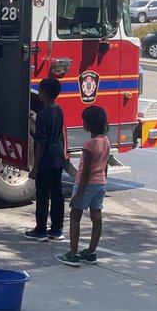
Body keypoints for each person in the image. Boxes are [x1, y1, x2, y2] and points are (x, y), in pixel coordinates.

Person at [57, 106, 109, 267]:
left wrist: (78, 194)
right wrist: (104, 179)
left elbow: (85, 171)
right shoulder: (106, 141)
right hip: (100, 184)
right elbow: (106, 165)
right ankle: (91, 252)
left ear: (88, 124)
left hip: (85, 184)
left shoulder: (89, 144)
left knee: (75, 216)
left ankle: (73, 254)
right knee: (96, 217)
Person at [25, 77, 66, 241]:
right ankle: (56, 229)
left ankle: (40, 229)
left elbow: (41, 142)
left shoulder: (43, 114)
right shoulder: (58, 109)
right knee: (57, 194)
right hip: (58, 157)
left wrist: (35, 166)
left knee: (42, 195)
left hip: (46, 160)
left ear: (43, 92)